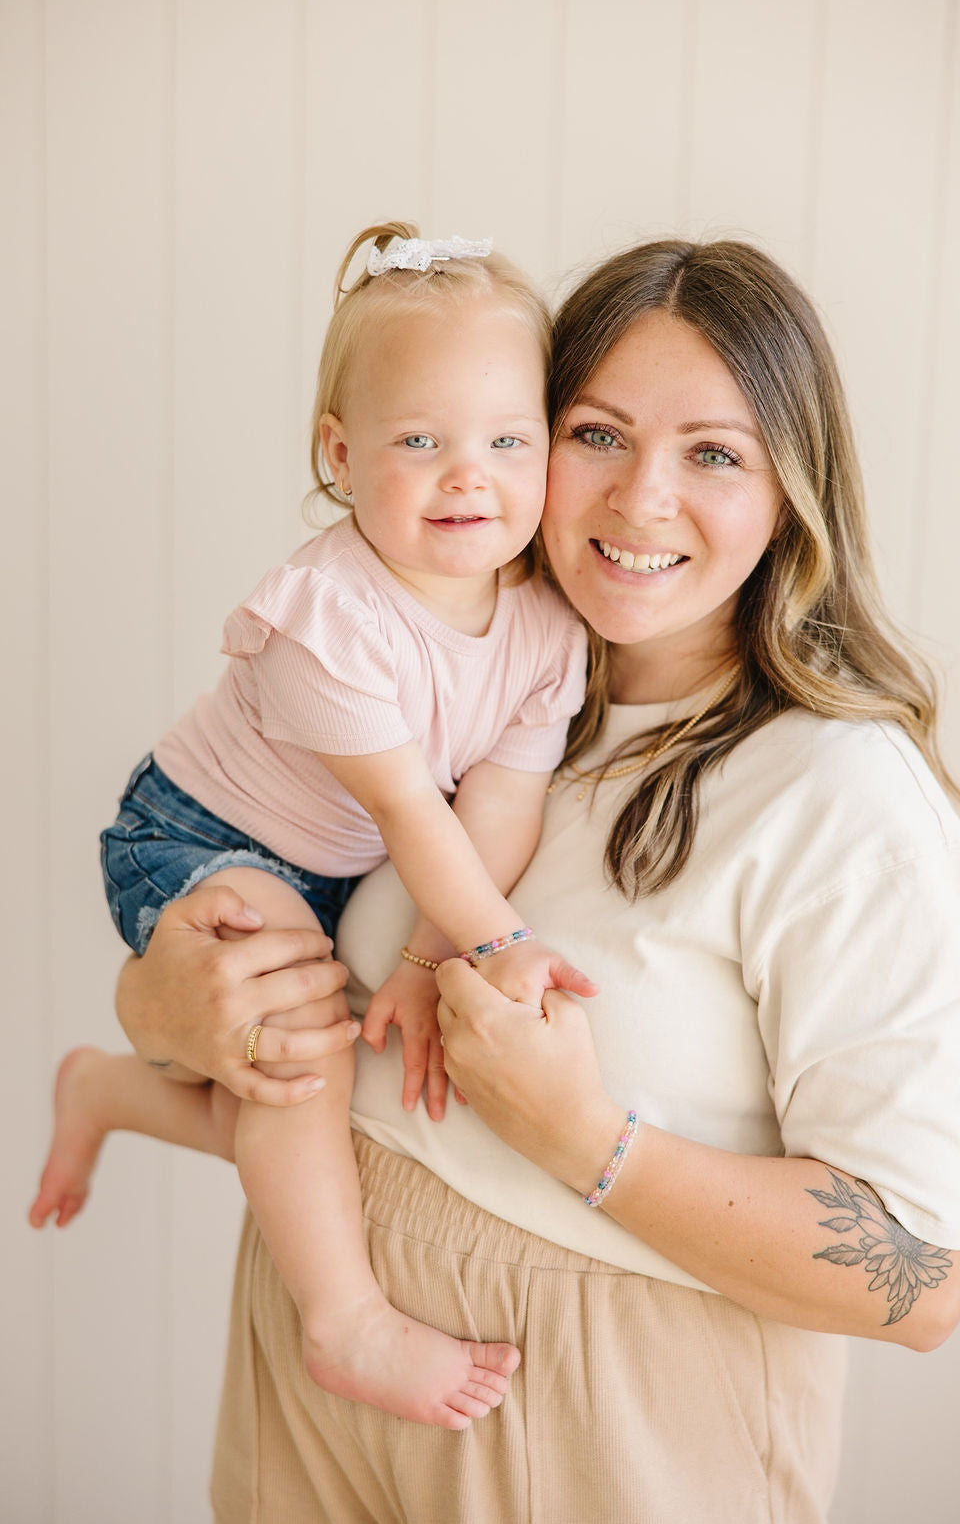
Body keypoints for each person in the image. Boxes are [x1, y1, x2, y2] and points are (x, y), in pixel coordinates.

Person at [114, 236, 960, 1524]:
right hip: (320, 1388)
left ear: (793, 489)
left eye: (713, 452)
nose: (641, 498)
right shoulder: (476, 683)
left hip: (592, 1424)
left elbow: (918, 1284)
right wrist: (164, 1010)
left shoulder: (839, 796)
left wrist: (587, 1140)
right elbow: (260, 919)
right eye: (596, 431)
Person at [29, 223, 597, 1431]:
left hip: (339, 871)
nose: (468, 474)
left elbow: (497, 802)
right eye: (419, 441)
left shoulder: (549, 628)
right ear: (340, 454)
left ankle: (108, 1092)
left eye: (507, 440)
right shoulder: (327, 616)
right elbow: (403, 805)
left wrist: (429, 952)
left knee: (297, 1098)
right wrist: (500, 943)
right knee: (298, 1040)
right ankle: (344, 1320)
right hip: (198, 835)